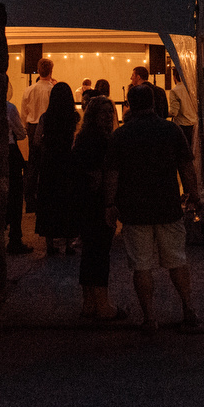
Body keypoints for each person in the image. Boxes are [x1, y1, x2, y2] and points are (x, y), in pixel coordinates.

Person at [104, 83, 201, 334]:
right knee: (177, 260)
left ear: (129, 105)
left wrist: (110, 203)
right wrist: (194, 195)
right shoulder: (171, 130)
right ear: (154, 102)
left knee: (142, 265)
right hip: (168, 205)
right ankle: (188, 309)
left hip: (134, 209)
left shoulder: (121, 135)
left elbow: (113, 174)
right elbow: (186, 167)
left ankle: (150, 317)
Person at [71, 94, 125, 322]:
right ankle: (103, 305)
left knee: (89, 252)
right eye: (104, 113)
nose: (108, 116)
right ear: (94, 116)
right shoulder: (103, 142)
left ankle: (89, 303)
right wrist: (110, 202)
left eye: (110, 112)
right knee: (100, 252)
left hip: (84, 202)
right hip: (98, 203)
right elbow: (103, 175)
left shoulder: (82, 138)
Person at [34, 82, 82, 255]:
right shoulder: (74, 117)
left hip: (50, 164)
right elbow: (77, 140)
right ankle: (69, 244)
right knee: (68, 201)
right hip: (68, 164)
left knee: (49, 200)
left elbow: (37, 140)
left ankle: (50, 244)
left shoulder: (46, 118)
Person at [20, 57, 58, 210]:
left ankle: (30, 201)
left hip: (33, 127)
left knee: (33, 165)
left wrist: (25, 128)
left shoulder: (29, 90)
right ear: (51, 71)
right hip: (49, 128)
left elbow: (24, 114)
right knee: (48, 164)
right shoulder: (53, 89)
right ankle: (46, 199)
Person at [5, 78, 34, 255]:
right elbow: (21, 133)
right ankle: (15, 238)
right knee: (15, 197)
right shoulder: (9, 108)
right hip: (10, 152)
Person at [166, 66, 197, 153]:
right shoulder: (193, 89)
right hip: (195, 126)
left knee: (184, 154)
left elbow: (173, 112)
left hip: (183, 126)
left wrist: (162, 112)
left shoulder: (175, 91)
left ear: (175, 77)